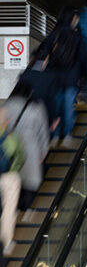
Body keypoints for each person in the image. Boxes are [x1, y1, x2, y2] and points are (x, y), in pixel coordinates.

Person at [37, 6, 87, 143]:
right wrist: (81, 76)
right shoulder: (77, 36)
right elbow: (83, 57)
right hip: (71, 77)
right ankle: (67, 136)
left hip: (54, 77)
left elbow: (44, 51)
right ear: (72, 19)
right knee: (68, 107)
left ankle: (53, 136)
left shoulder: (54, 34)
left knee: (55, 106)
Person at [4, 84, 50, 212]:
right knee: (30, 178)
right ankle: (27, 207)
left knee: (14, 174)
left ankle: (15, 207)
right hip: (31, 144)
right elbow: (43, 130)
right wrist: (44, 149)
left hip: (10, 144)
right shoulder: (36, 107)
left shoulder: (6, 106)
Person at [0, 104, 27, 257]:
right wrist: (14, 169)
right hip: (9, 177)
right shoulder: (10, 138)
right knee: (8, 209)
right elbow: (21, 157)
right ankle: (6, 242)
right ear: (7, 122)